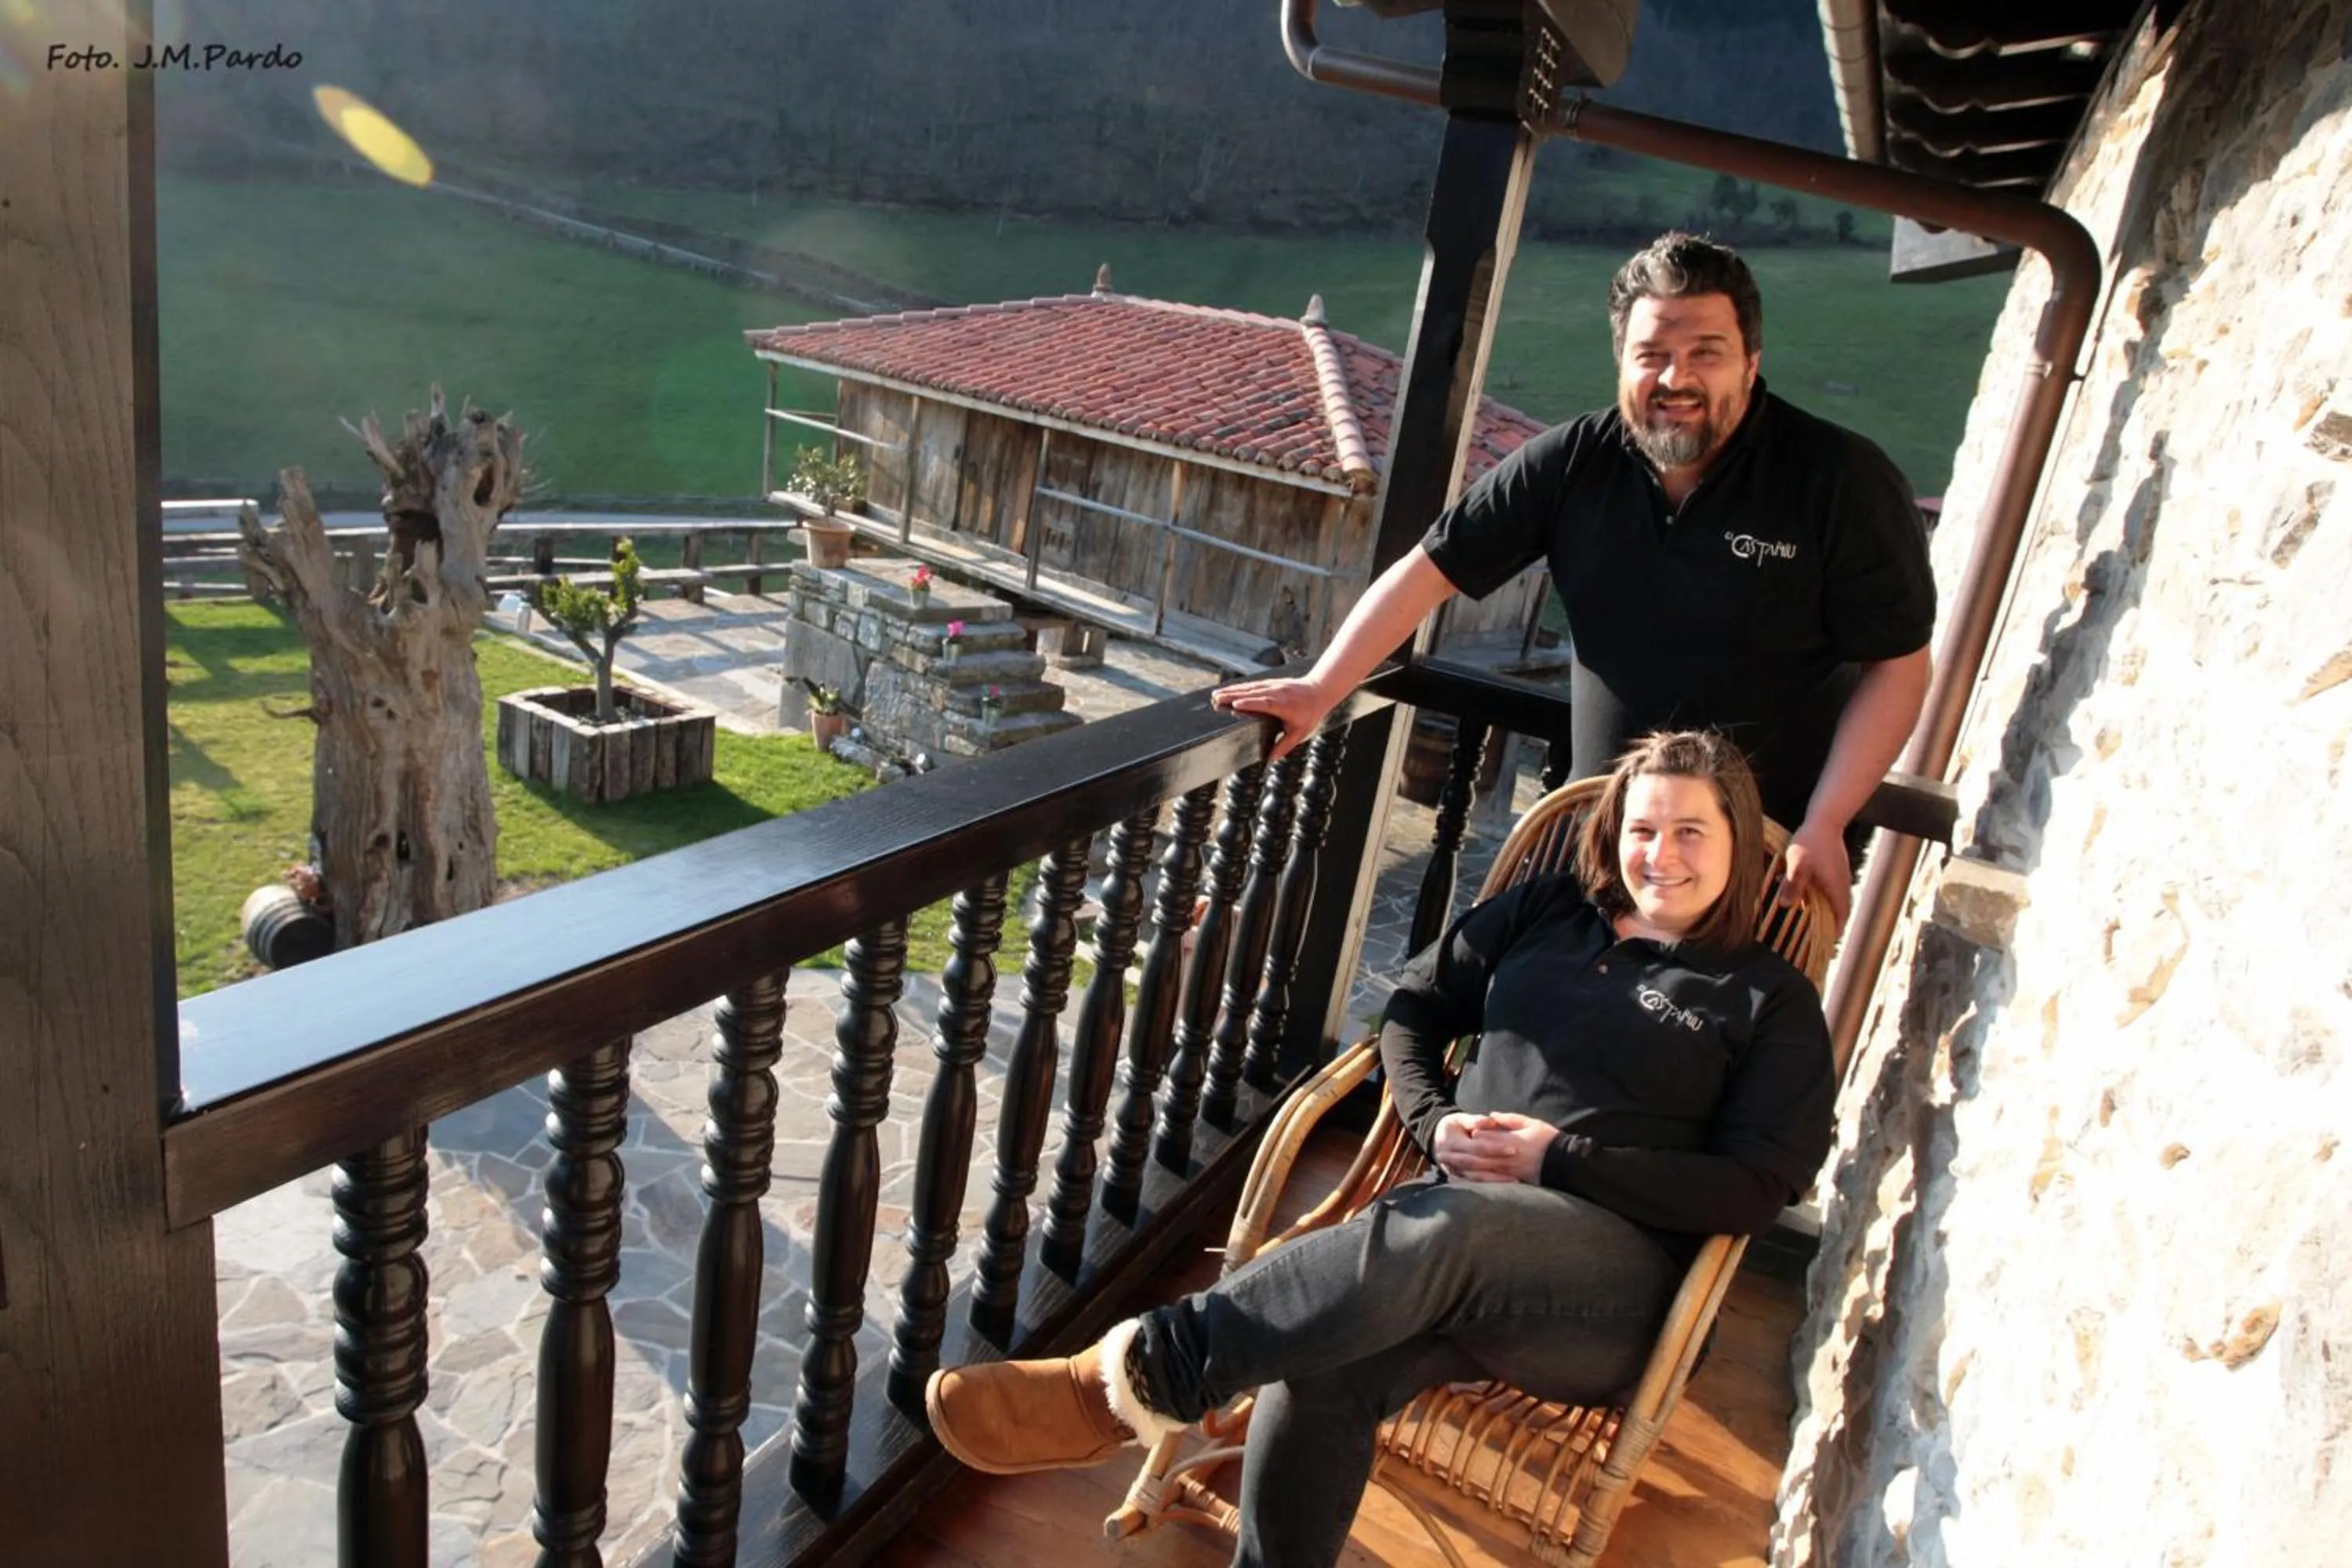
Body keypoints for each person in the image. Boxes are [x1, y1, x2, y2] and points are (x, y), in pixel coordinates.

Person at [925, 730, 1835, 1567]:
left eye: (1690, 832)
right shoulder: (1553, 912)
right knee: (1322, 1357)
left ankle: (1130, 1379)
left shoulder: (1766, 998)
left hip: (1609, 1296)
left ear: (1736, 843)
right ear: (1614, 830)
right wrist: (1433, 1118)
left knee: (1448, 1227)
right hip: (1446, 1243)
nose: (1660, 855)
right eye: (1644, 828)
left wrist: (1559, 1161)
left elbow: (1758, 1187)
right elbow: (1413, 1008)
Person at [1212, 232, 1936, 927]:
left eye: (1705, 353)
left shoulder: (1839, 481)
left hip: (1762, 870)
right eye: (1652, 354)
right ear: (1621, 359)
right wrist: (1323, 686)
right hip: (1599, 848)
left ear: (1751, 361)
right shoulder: (1573, 463)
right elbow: (1427, 571)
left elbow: (1898, 667)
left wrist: (1828, 820)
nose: (1676, 378)